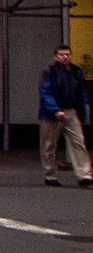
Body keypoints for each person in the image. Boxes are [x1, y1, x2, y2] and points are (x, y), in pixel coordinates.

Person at [38, 45, 92, 187]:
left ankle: (84, 174)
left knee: (78, 141)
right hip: (52, 113)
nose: (65, 57)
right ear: (55, 57)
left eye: (67, 54)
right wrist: (55, 109)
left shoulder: (76, 71)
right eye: (61, 54)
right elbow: (45, 91)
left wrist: (83, 109)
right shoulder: (49, 72)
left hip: (70, 111)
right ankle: (49, 174)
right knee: (49, 144)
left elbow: (81, 92)